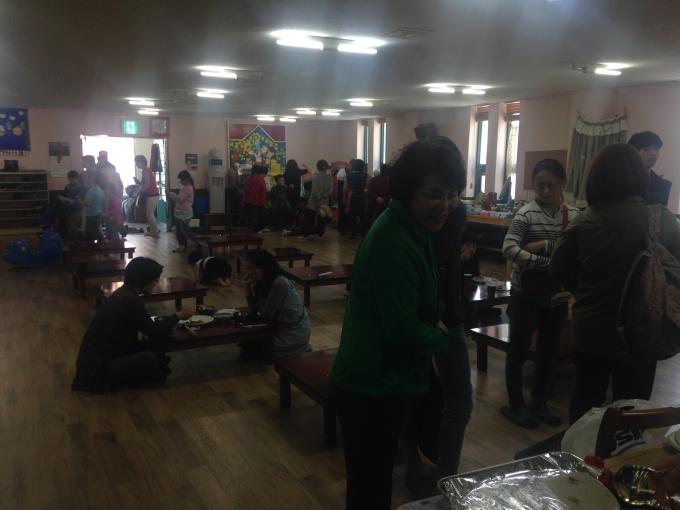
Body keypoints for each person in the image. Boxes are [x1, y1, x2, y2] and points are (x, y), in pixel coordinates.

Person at [329, 140, 462, 509]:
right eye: (434, 194)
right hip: (371, 383)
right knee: (371, 491)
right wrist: (440, 336)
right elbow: (403, 330)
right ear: (408, 191)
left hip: (386, 377)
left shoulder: (414, 228)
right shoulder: (393, 240)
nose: (446, 205)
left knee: (374, 485)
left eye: (452, 194)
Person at [550, 143, 680, 424]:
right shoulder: (663, 220)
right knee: (634, 405)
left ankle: (582, 451)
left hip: (592, 327)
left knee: (586, 398)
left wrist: (583, 289)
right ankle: (625, 451)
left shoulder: (584, 220)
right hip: (644, 328)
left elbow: (557, 267)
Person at [399, 136, 471, 482]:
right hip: (443, 315)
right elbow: (435, 264)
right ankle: (447, 479)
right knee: (459, 401)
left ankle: (415, 463)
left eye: (452, 192)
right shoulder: (454, 211)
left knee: (413, 392)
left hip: (422, 312)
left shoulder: (399, 217)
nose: (446, 203)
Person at [501, 158, 579, 429]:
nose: (545, 191)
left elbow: (580, 248)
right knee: (518, 352)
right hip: (526, 296)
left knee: (548, 354)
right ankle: (516, 405)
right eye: (539, 185)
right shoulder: (526, 215)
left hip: (558, 297)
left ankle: (540, 402)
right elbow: (509, 248)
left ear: (563, 183)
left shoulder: (575, 216)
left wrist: (545, 244)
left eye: (551, 185)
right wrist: (547, 264)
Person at [72, 257, 194, 393]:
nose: (156, 283)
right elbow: (152, 330)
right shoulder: (130, 300)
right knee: (149, 358)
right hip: (99, 369)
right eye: (155, 279)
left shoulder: (122, 293)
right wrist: (177, 316)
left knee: (152, 345)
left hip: (93, 363)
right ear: (144, 279)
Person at [240, 249, 312, 360]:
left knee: (249, 342)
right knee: (246, 340)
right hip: (279, 327)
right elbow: (255, 310)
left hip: (293, 333)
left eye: (253, 268)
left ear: (265, 267)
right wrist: (247, 287)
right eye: (248, 269)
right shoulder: (263, 282)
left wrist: (260, 312)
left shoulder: (279, 283)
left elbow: (266, 315)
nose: (250, 273)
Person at [628, 131, 672, 207]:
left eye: (656, 149)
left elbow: (659, 213)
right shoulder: (624, 180)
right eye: (647, 149)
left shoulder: (661, 184)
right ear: (634, 152)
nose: (653, 153)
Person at [167, 170, 201, 253]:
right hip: (180, 212)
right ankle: (181, 246)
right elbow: (178, 199)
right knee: (179, 231)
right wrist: (171, 195)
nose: (180, 181)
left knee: (185, 230)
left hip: (184, 213)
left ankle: (200, 241)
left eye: (181, 180)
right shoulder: (186, 187)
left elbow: (180, 199)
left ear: (186, 179)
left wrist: (170, 193)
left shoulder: (188, 188)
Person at [304, 160, 333, 240]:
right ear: (325, 168)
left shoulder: (315, 177)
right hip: (324, 202)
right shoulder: (329, 178)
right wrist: (323, 196)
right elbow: (330, 191)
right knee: (321, 218)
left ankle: (305, 235)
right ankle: (320, 235)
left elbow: (314, 190)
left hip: (314, 201)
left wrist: (318, 199)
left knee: (310, 218)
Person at [133, 155, 160, 237]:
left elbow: (147, 184)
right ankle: (154, 230)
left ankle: (155, 230)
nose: (136, 164)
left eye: (136, 162)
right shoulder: (146, 170)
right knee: (149, 213)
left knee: (149, 213)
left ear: (140, 162)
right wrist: (139, 183)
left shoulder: (146, 171)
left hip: (152, 195)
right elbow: (147, 184)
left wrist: (140, 192)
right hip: (152, 194)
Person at [344, 158, 368, 240]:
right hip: (361, 196)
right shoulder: (365, 176)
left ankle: (353, 234)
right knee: (362, 215)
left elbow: (345, 188)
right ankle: (363, 233)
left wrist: (344, 198)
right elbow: (367, 185)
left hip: (352, 197)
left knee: (352, 216)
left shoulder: (349, 175)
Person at [78, 171, 106, 242]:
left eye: (87, 178)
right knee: (89, 234)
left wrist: (81, 202)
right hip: (97, 213)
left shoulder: (92, 190)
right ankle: (92, 247)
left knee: (96, 233)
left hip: (92, 214)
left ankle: (105, 246)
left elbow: (88, 203)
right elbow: (104, 201)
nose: (86, 180)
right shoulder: (100, 189)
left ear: (91, 179)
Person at [366, 163, 391, 232]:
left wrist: (376, 197)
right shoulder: (389, 181)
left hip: (373, 204)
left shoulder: (373, 179)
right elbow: (391, 193)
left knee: (372, 220)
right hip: (385, 204)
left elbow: (370, 190)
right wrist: (384, 198)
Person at [63, 170, 83, 235]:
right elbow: (65, 196)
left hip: (77, 209)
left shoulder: (79, 187)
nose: (71, 181)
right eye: (69, 179)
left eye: (73, 179)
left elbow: (82, 198)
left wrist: (75, 202)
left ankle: (74, 238)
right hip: (69, 209)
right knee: (69, 225)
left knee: (74, 225)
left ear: (77, 179)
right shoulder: (67, 186)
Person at [250, 165, 268, 233]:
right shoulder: (257, 179)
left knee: (262, 215)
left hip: (262, 200)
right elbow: (255, 191)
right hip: (258, 201)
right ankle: (257, 228)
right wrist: (255, 201)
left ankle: (262, 227)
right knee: (258, 215)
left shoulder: (261, 179)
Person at [337, 161, 349, 236]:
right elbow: (343, 187)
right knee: (342, 212)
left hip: (346, 195)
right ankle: (341, 229)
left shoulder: (349, 173)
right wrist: (344, 198)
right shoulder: (342, 172)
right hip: (342, 195)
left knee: (346, 212)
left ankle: (345, 228)